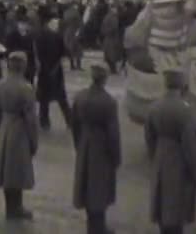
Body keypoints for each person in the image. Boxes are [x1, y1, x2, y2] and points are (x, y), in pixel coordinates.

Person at [145, 69, 196, 234]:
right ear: (181, 85)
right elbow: (189, 144)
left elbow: (149, 137)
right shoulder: (185, 110)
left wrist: (156, 155)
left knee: (161, 202)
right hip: (178, 160)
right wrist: (193, 170)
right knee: (175, 206)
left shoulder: (154, 107)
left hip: (161, 156)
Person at [72, 65, 121, 234]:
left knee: (86, 186)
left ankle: (92, 226)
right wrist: (116, 157)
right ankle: (98, 228)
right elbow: (113, 134)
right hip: (101, 147)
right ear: (104, 78)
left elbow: (74, 125)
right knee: (99, 188)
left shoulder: (80, 97)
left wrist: (79, 144)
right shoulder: (108, 102)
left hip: (85, 143)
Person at [0, 51, 38, 220]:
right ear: (23, 66)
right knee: (17, 170)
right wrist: (34, 142)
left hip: (5, 126)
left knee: (6, 170)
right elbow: (31, 119)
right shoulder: (26, 88)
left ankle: (10, 207)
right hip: (20, 130)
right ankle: (16, 207)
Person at [35, 15, 71, 130]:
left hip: (47, 70)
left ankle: (45, 121)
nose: (56, 25)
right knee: (59, 98)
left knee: (45, 99)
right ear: (49, 23)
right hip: (54, 70)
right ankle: (69, 121)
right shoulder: (52, 36)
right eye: (54, 23)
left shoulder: (43, 35)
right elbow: (64, 52)